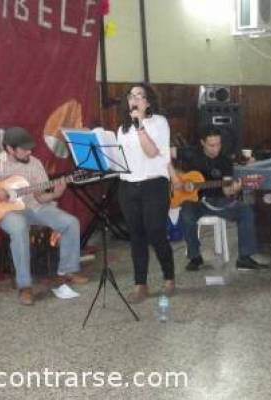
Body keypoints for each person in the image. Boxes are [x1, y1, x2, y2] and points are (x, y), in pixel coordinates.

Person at [0, 127, 87, 306]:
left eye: (30, 148)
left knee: (70, 222)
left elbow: (40, 196)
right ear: (9, 149)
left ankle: (69, 270)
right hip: (8, 211)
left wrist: (55, 194)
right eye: (24, 149)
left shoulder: (35, 163)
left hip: (34, 207)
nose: (29, 152)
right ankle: (25, 286)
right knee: (19, 228)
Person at [174, 130, 267, 271]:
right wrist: (176, 177)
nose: (216, 148)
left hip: (217, 200)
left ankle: (245, 258)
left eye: (218, 144)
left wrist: (235, 188)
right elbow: (163, 154)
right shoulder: (191, 153)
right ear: (202, 143)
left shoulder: (224, 161)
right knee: (186, 216)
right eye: (211, 145)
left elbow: (226, 190)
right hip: (193, 202)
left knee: (246, 211)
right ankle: (195, 257)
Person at [117, 83, 175, 303]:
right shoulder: (122, 129)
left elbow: (151, 153)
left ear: (148, 101)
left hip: (154, 186)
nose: (135, 99)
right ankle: (140, 284)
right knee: (136, 236)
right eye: (132, 95)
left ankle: (169, 277)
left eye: (140, 95)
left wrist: (140, 124)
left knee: (156, 233)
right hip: (128, 186)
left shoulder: (159, 122)